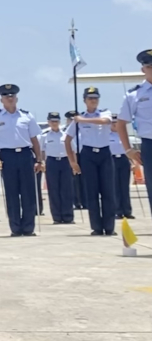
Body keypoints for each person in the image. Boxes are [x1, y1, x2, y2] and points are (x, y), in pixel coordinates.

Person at [0, 84, 42, 237]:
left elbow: (34, 139)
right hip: (7, 157)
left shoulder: (26, 116)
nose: (9, 98)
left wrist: (39, 160)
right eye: (6, 96)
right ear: (1, 100)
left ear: (16, 98)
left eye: (12, 96)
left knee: (28, 193)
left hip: (25, 155)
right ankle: (16, 228)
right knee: (11, 194)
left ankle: (29, 228)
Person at [65, 86, 116, 236]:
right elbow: (67, 140)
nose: (93, 100)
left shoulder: (104, 112)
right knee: (91, 193)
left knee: (108, 192)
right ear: (84, 100)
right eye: (90, 98)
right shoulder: (78, 119)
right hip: (88, 155)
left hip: (104, 153)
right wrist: (72, 161)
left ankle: (109, 226)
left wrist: (83, 120)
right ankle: (97, 227)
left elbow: (105, 121)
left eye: (95, 98)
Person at [116, 49, 152, 213]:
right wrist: (128, 150)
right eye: (150, 66)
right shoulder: (134, 95)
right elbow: (121, 123)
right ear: (143, 69)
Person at [38, 113, 74, 225]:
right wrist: (41, 162)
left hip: (65, 161)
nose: (54, 123)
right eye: (52, 121)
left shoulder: (66, 135)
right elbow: (41, 151)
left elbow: (73, 150)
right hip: (52, 162)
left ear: (60, 122)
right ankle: (57, 217)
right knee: (54, 190)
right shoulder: (44, 136)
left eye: (56, 121)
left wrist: (74, 163)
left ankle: (68, 216)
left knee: (67, 189)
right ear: (48, 122)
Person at [110, 123, 134, 220]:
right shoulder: (106, 135)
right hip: (112, 159)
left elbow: (130, 149)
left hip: (124, 159)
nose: (115, 125)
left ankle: (127, 211)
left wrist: (133, 163)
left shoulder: (123, 135)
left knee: (124, 186)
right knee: (115, 186)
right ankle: (118, 210)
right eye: (113, 123)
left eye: (116, 123)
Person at [65, 111, 87, 210]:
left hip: (83, 155)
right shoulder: (66, 132)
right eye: (70, 119)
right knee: (73, 180)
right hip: (72, 155)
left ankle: (85, 201)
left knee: (85, 179)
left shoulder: (83, 129)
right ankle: (76, 201)